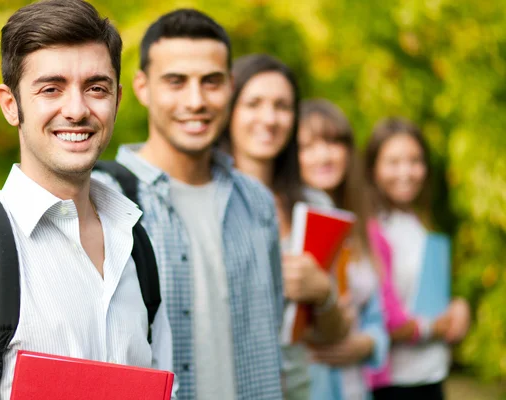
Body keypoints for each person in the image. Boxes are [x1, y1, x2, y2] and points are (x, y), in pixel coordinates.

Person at [0, 1, 173, 398]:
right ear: (11, 105)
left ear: (117, 100)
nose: (77, 109)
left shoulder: (136, 248)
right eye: (51, 88)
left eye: (95, 88)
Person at [92, 9, 331, 400]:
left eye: (211, 82)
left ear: (231, 87)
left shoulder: (255, 201)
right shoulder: (102, 199)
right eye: (176, 81)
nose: (196, 100)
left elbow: (274, 340)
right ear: (141, 87)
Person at [219, 54, 350, 399]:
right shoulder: (205, 199)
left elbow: (333, 334)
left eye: (282, 106)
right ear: (229, 111)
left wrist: (321, 292)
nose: (269, 118)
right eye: (254, 104)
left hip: (297, 389)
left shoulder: (316, 206)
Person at [365, 117, 470, 400]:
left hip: (433, 375)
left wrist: (457, 307)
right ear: (373, 168)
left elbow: (427, 299)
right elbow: (379, 318)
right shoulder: (370, 229)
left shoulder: (422, 225)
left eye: (415, 161)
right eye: (393, 161)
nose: (406, 172)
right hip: (393, 383)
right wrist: (431, 328)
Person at [297, 100, 389, 400]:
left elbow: (376, 317)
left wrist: (368, 344)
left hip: (355, 388)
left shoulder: (359, 223)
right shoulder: (285, 226)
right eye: (307, 147)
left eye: (334, 142)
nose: (323, 155)